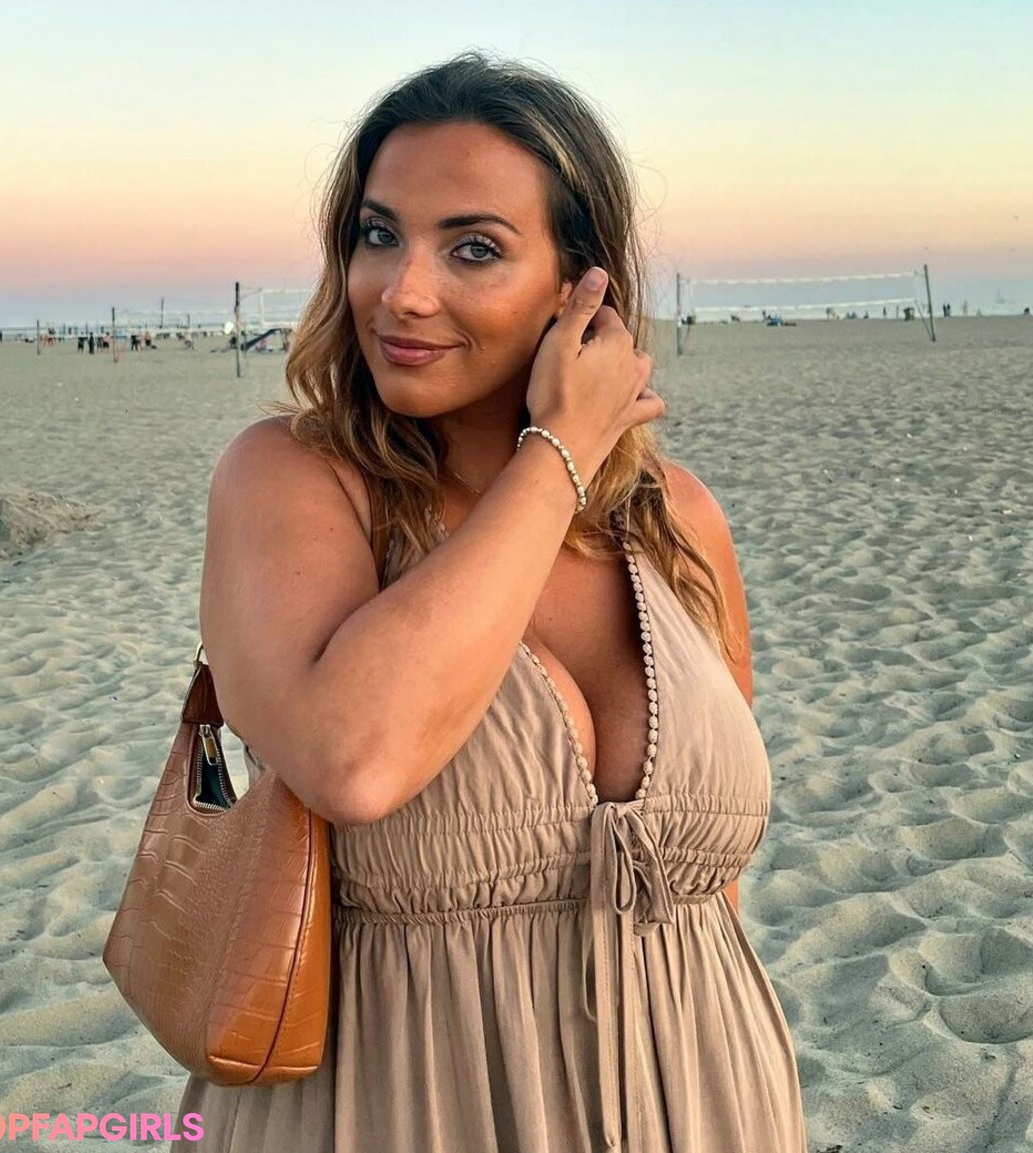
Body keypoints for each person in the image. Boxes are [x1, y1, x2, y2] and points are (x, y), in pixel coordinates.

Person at [171, 53, 805, 1153]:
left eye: (472, 248)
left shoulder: (678, 524)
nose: (402, 291)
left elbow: (714, 888)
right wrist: (556, 457)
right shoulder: (293, 481)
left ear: (578, 286)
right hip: (396, 1105)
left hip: (704, 1098)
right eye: (378, 235)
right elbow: (353, 759)